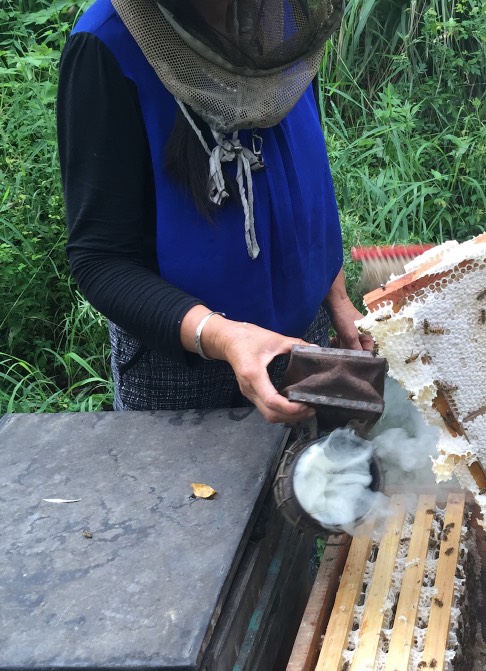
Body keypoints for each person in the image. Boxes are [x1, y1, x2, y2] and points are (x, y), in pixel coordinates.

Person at [57, 0, 372, 424]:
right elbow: (101, 259)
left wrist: (336, 298)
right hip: (185, 372)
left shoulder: (290, 18)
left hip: (306, 340)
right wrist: (224, 338)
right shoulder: (106, 45)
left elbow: (307, 173)